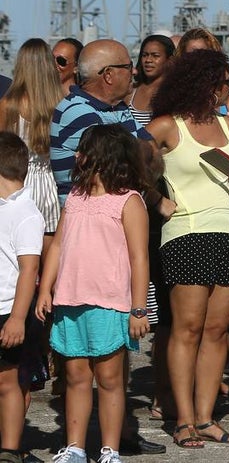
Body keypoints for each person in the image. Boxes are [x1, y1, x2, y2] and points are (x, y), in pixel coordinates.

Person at [47, 39, 168, 456]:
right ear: (108, 74)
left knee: (112, 368)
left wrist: (144, 162)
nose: (135, 72)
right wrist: (145, 168)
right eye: (128, 66)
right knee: (81, 370)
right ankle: (83, 442)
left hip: (112, 268)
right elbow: (139, 160)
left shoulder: (117, 111)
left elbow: (147, 157)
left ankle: (116, 439)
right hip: (84, 261)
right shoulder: (80, 113)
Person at [146, 50, 229, 448]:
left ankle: (205, 417)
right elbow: (127, 163)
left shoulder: (227, 124)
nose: (228, 91)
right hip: (186, 234)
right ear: (204, 84)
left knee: (217, 330)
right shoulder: (167, 126)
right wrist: (157, 199)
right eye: (224, 84)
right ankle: (183, 419)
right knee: (187, 329)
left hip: (228, 233)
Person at [35, 125, 149, 463]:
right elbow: (57, 246)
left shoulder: (129, 200)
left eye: (83, 149)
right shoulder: (75, 196)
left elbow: (139, 258)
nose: (77, 155)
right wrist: (45, 289)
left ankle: (110, 450)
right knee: (75, 376)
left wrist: (138, 308)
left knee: (110, 378)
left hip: (110, 303)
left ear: (103, 156)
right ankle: (75, 448)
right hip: (70, 300)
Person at [0, 133, 44, 463]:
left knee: (9, 382)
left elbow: (29, 269)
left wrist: (17, 318)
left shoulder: (26, 213)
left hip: (8, 310)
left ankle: (10, 449)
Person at [0, 39, 65, 248]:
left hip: (18, 183)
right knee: (52, 256)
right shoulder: (61, 104)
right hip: (51, 184)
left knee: (19, 253)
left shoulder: (9, 104)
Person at [128, 35, 175, 127]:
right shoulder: (130, 91)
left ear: (169, 59)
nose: (148, 60)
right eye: (144, 55)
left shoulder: (175, 93)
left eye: (155, 56)